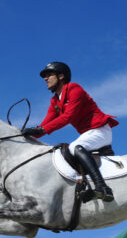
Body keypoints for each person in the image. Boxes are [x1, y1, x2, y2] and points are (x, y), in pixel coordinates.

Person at [22, 61, 119, 202]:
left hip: (100, 130)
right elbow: (45, 124)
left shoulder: (74, 89)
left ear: (61, 76)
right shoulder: (55, 101)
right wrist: (27, 134)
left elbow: (68, 117)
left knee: (74, 147)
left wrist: (41, 130)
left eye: (49, 75)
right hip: (88, 133)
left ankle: (102, 187)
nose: (45, 79)